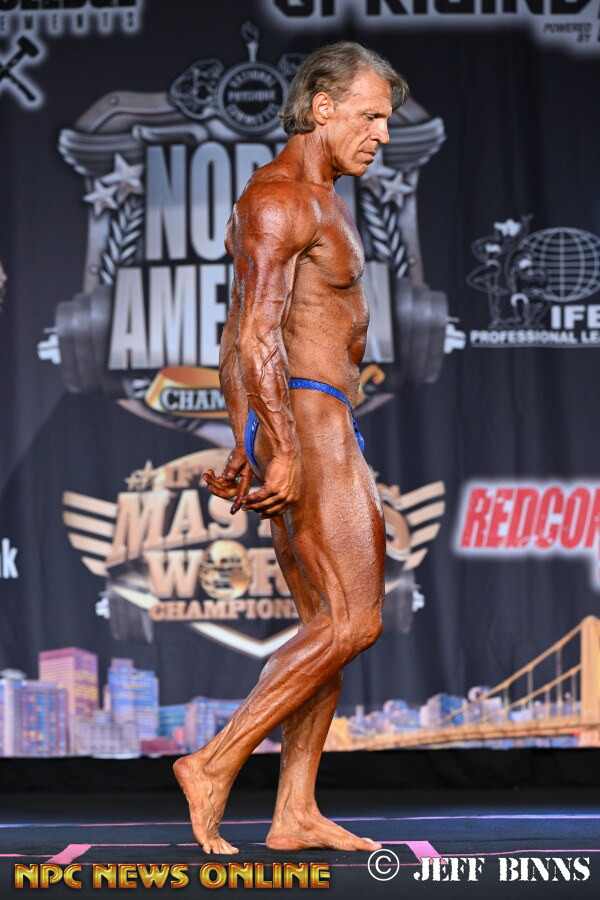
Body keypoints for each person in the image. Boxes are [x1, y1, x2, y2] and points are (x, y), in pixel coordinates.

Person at [174, 41, 409, 855]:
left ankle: (295, 812)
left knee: (323, 625)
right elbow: (254, 333)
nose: (382, 134)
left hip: (308, 416)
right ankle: (213, 762)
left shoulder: (315, 198)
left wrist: (246, 435)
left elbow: (232, 340)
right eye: (370, 115)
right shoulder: (280, 199)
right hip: (310, 419)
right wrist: (279, 443)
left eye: (387, 120)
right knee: (356, 619)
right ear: (322, 107)